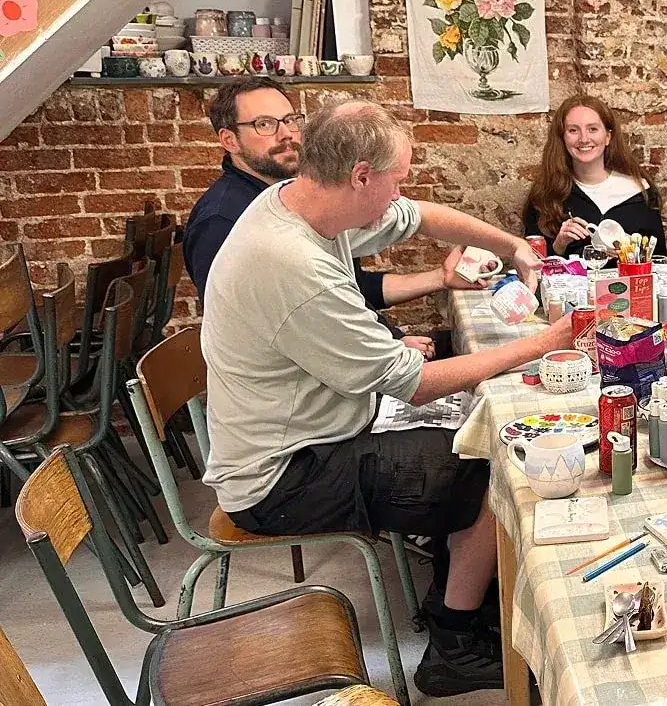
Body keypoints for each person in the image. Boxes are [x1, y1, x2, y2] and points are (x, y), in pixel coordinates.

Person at [202, 100, 570, 696]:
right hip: (283, 476)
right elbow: (414, 383)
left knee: (474, 428)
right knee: (497, 465)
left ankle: (460, 598)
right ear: (361, 176)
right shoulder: (291, 263)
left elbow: (420, 216)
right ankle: (453, 643)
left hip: (318, 430)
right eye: (397, 174)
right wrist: (547, 344)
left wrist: (514, 247)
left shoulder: (305, 202)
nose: (405, 186)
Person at [186, 77, 470, 360]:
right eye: (264, 124)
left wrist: (439, 279)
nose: (286, 133)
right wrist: (392, 342)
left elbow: (349, 286)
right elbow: (297, 323)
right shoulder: (221, 220)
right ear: (229, 140)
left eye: (290, 119)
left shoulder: (290, 192)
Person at [523, 94, 667, 258]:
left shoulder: (640, 193)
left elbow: (659, 260)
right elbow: (532, 265)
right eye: (573, 130)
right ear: (562, 138)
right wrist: (559, 245)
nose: (584, 139)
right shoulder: (545, 195)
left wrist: (630, 254)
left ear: (608, 136)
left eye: (593, 129)